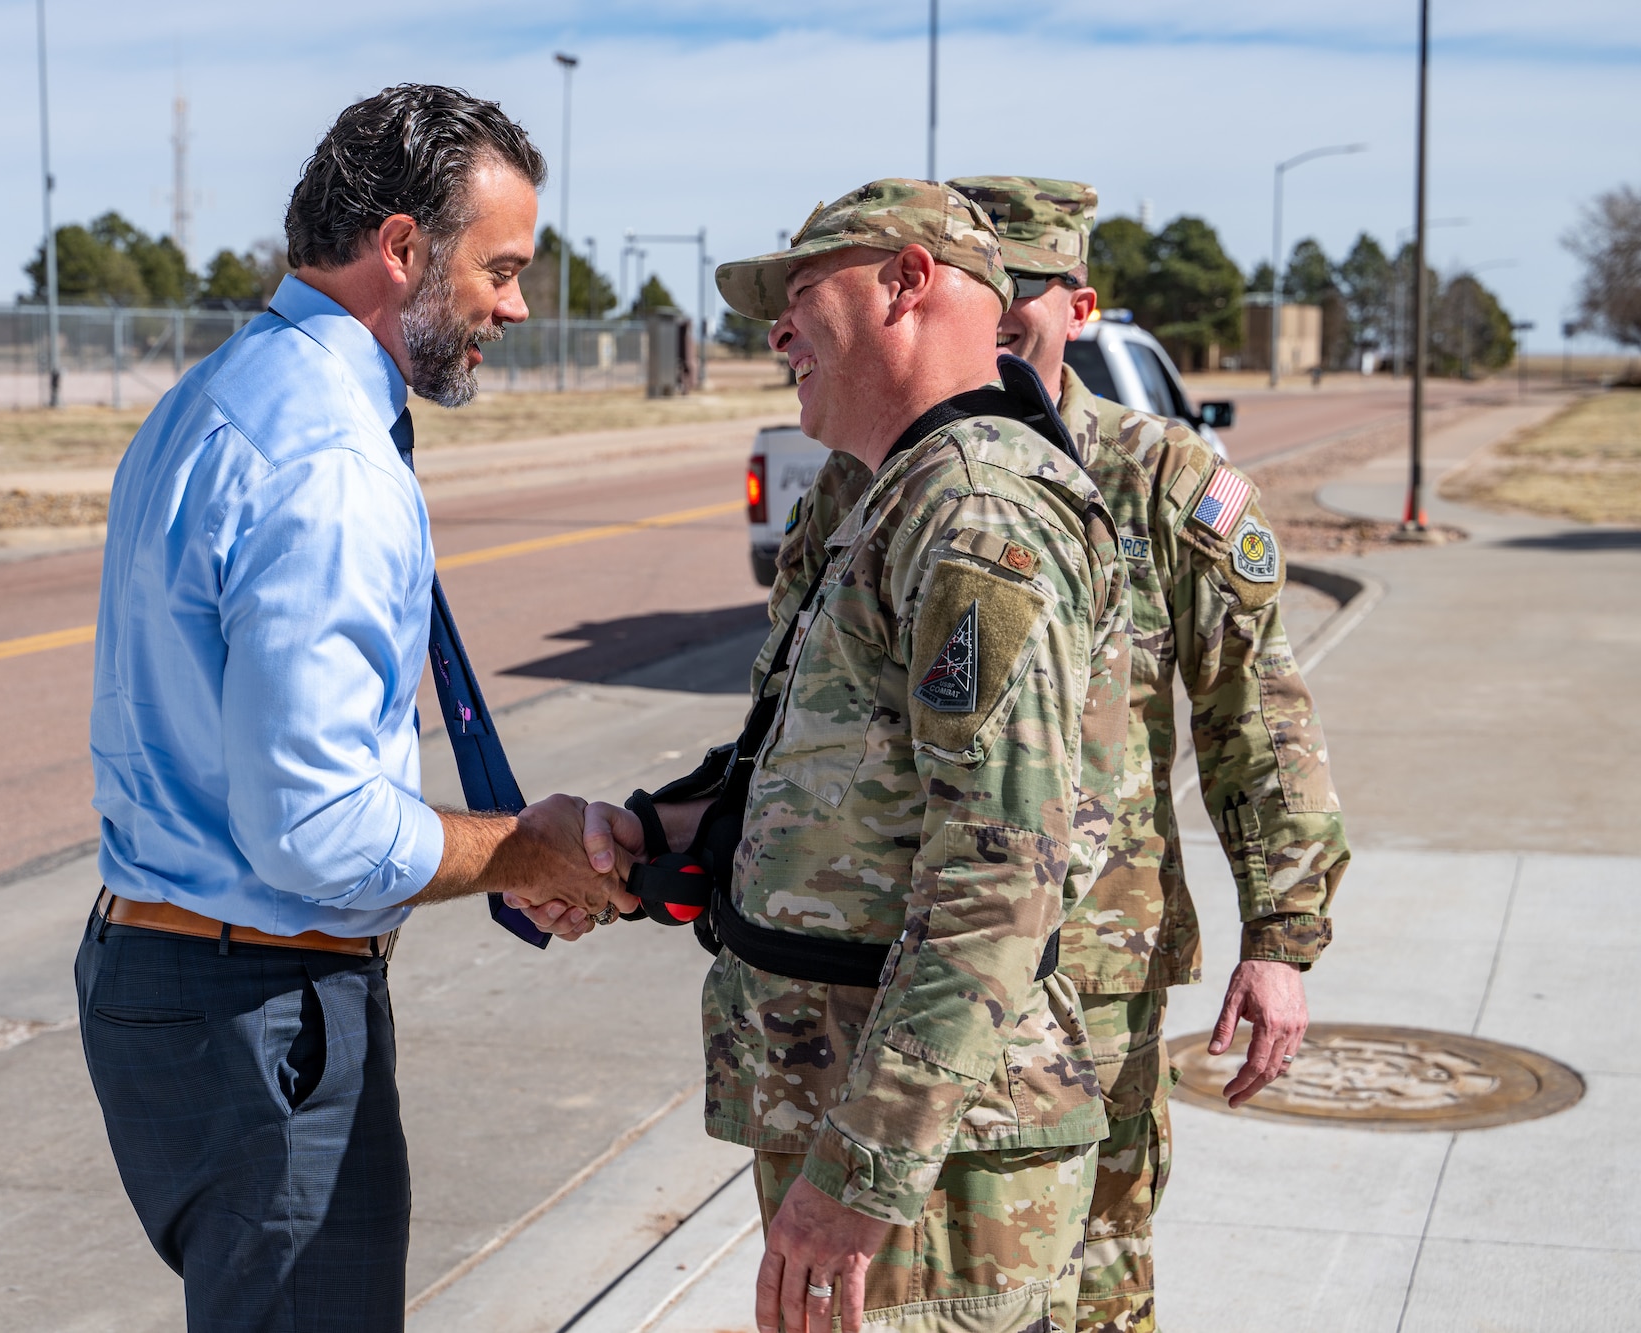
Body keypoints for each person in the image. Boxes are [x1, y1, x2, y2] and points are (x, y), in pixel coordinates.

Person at [76, 85, 631, 1331]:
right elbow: (318, 828)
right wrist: (518, 849)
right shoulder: (328, 460)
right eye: (498, 269)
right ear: (400, 250)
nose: (516, 306)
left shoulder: (213, 398)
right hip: (260, 1018)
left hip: (164, 982)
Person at [543, 179, 1132, 1333]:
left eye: (800, 292)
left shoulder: (976, 513)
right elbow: (844, 777)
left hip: (938, 1170)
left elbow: (999, 876)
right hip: (880, 1124)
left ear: (905, 282)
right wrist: (651, 836)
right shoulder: (893, 495)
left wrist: (859, 1178)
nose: (774, 331)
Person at [774, 176, 1351, 1333]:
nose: (997, 325)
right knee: (947, 1293)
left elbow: (1257, 713)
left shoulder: (1158, 477)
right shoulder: (865, 475)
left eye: (1022, 298)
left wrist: (1281, 936)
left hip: (1096, 965)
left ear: (1074, 307)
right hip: (927, 976)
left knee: (1096, 1274)